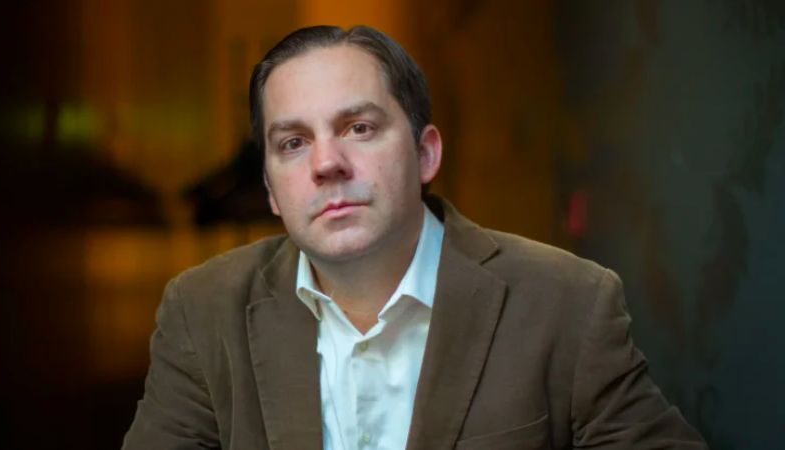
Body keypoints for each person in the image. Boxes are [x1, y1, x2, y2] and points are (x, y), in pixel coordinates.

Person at [122, 25, 707, 449]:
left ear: (426, 154)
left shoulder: (567, 302)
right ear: (271, 189)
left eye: (359, 127)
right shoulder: (202, 311)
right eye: (293, 143)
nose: (326, 163)